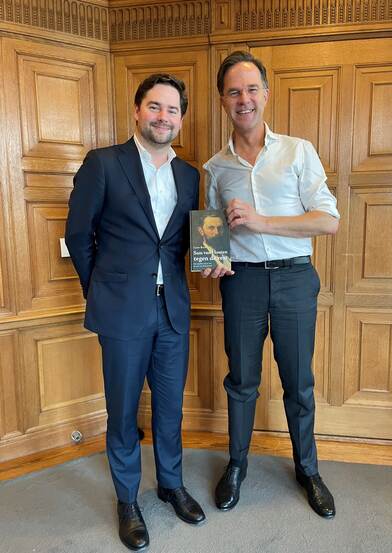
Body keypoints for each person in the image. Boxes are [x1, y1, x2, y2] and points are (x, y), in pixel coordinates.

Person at [65, 73, 205, 551]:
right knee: (123, 412)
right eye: (155, 107)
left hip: (173, 313)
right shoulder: (103, 163)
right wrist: (101, 290)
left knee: (170, 408)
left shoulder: (190, 175)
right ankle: (127, 499)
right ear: (137, 110)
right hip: (121, 312)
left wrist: (217, 257)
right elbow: (80, 236)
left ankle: (170, 484)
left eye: (172, 110)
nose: (163, 117)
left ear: (181, 119)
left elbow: (186, 243)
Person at [203, 51, 340, 519]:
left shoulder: (298, 151)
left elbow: (328, 221)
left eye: (251, 89)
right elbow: (212, 230)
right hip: (240, 284)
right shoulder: (214, 168)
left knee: (299, 382)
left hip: (295, 278)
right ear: (223, 100)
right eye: (234, 91)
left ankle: (308, 470)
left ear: (265, 92)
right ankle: (237, 466)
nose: (244, 99)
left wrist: (261, 222)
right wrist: (214, 260)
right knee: (241, 381)